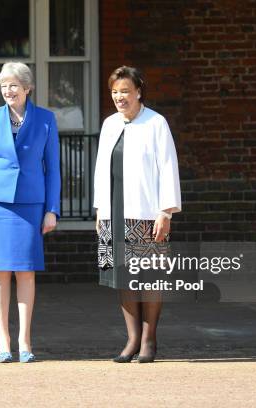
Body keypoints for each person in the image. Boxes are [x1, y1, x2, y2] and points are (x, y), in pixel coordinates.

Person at [0, 62, 61, 363]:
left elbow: (53, 170)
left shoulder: (46, 119)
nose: (8, 90)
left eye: (13, 85)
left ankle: (25, 341)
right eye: (3, 85)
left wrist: (52, 210)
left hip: (31, 204)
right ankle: (3, 342)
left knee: (26, 271)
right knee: (0, 271)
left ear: (27, 87)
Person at [93, 66, 182, 363]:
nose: (120, 97)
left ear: (139, 92)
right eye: (115, 92)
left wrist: (165, 212)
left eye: (125, 92)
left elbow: (168, 167)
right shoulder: (109, 125)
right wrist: (100, 210)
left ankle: (149, 339)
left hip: (146, 212)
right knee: (123, 277)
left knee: (149, 277)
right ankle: (131, 340)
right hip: (114, 211)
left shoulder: (156, 123)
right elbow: (101, 170)